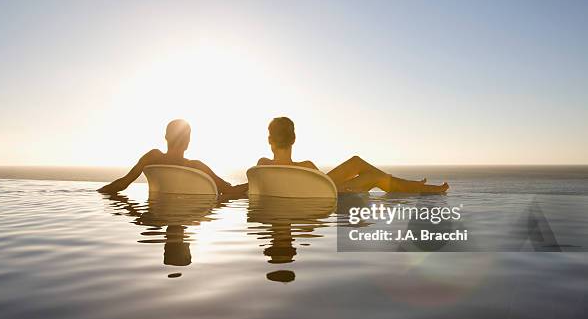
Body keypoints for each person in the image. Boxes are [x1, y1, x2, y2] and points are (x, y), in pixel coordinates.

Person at [257, 117, 449, 194]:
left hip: (317, 189)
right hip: (324, 193)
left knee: (357, 162)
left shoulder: (263, 165)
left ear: (269, 140)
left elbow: (250, 187)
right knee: (374, 177)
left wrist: (231, 190)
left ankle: (414, 186)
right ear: (294, 139)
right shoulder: (306, 166)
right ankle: (420, 188)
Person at [98, 119, 247, 195]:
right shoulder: (196, 166)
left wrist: (99, 191)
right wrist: (253, 184)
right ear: (188, 142)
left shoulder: (153, 157)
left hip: (156, 213)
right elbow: (229, 191)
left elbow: (123, 183)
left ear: (166, 137)